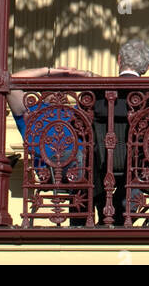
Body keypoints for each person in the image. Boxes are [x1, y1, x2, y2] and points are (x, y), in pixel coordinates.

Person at [8, 65, 94, 226]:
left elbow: (110, 87)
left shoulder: (76, 112)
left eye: (61, 85)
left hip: (86, 166)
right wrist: (50, 71)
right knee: (81, 159)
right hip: (51, 167)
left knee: (98, 160)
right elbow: (9, 81)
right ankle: (80, 224)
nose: (57, 90)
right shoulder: (31, 109)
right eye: (52, 84)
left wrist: (83, 74)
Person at [93, 38, 149, 226]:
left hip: (101, 166)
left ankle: (107, 214)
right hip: (140, 167)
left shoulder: (96, 94)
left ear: (119, 60)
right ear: (146, 68)